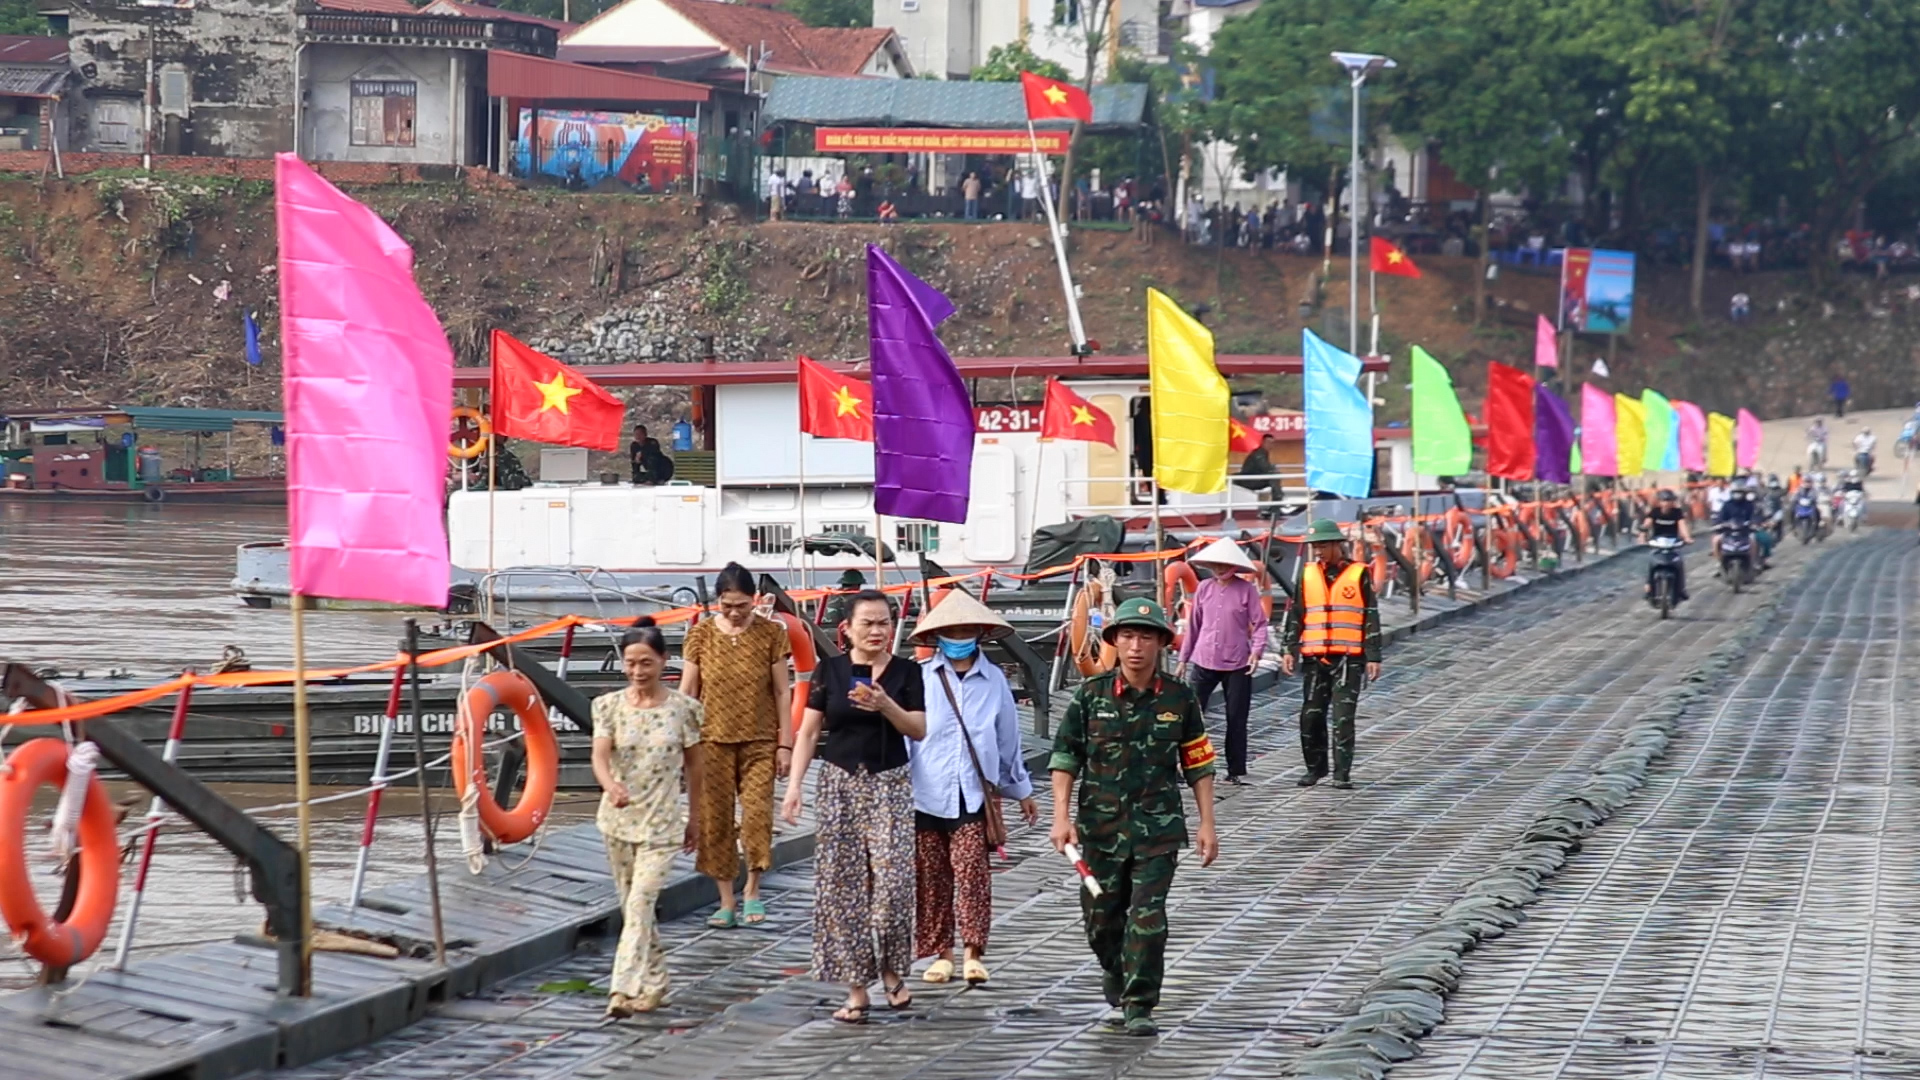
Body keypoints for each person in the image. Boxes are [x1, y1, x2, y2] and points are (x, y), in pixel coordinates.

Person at [1048, 598, 1219, 1037]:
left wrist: (1207, 823)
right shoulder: (1090, 696)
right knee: (1101, 916)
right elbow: (1066, 756)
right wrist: (1061, 816)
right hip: (1099, 830)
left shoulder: (1179, 698)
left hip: (1158, 830)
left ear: (1161, 643)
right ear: (1115, 642)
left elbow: (1197, 762)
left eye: (1146, 637)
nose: (1136, 646)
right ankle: (1116, 969)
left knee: (1148, 918)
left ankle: (1140, 1002)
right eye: (1127, 636)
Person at [782, 590, 927, 1023]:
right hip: (839, 782)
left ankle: (890, 969)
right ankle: (856, 989)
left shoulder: (906, 673)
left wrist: (885, 704)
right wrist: (794, 787)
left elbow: (918, 729)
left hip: (890, 782)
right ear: (847, 629)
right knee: (841, 890)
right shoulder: (831, 671)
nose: (878, 631)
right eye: (868, 623)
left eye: (884, 622)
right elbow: (809, 733)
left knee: (894, 884)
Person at [908, 591, 1037, 986]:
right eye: (952, 631)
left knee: (972, 873)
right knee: (931, 877)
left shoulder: (993, 680)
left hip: (973, 793)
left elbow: (1006, 739)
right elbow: (907, 736)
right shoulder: (922, 679)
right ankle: (941, 952)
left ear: (979, 634)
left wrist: (1021, 790)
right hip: (926, 790)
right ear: (940, 636)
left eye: (966, 630)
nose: (959, 636)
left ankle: (972, 951)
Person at [591, 620, 705, 1018]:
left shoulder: (684, 710)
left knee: (641, 903)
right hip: (618, 821)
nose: (638, 672)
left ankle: (621, 988)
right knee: (632, 907)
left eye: (646, 663)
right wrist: (610, 786)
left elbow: (695, 769)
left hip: (663, 823)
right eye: (631, 663)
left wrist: (697, 818)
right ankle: (656, 982)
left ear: (663, 661)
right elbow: (600, 756)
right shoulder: (608, 706)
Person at [681, 563, 792, 927]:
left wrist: (784, 743)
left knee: (758, 814)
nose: (734, 612)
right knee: (716, 819)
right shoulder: (700, 636)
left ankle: (753, 891)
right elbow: (688, 691)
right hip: (711, 737)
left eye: (742, 605)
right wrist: (681, 741)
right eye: (727, 605)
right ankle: (726, 898)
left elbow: (780, 690)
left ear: (754, 600)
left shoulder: (771, 634)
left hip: (759, 737)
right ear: (717, 602)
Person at [1279, 519, 1383, 790]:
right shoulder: (1307, 574)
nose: (1319, 551)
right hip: (1315, 659)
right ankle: (1315, 768)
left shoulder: (1359, 573)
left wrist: (1373, 655)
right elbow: (1297, 614)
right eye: (1315, 546)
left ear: (1338, 544)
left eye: (1323, 545)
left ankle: (1342, 773)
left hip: (1349, 659)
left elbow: (1370, 614)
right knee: (1310, 716)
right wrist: (1289, 649)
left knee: (1342, 717)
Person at [1175, 538, 1269, 785]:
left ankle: (1235, 769)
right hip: (1204, 659)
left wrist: (1256, 652)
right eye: (1215, 564)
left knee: (1236, 717)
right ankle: (1184, 766)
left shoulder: (1246, 590)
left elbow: (1260, 624)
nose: (1219, 569)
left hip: (1238, 662)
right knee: (1190, 715)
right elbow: (1193, 626)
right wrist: (1183, 658)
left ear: (1234, 566)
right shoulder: (1204, 588)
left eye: (1224, 564)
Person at [1637, 489, 1693, 601]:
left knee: (1679, 563)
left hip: (1673, 542)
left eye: (1669, 500)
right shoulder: (1655, 512)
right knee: (1651, 561)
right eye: (1664, 500)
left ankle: (1681, 588)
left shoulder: (1677, 512)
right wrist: (1642, 535)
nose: (1666, 503)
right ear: (1659, 502)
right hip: (1658, 542)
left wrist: (1687, 537)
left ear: (1673, 502)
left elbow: (1682, 525)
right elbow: (1647, 523)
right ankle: (1648, 586)